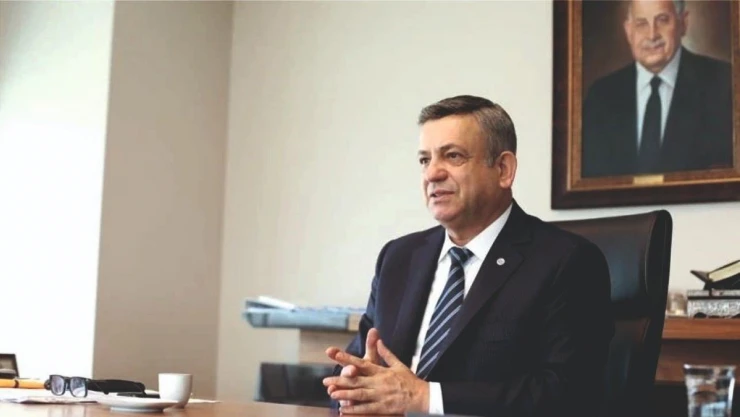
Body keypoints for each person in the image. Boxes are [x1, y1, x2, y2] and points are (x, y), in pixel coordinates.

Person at [322, 95, 614, 417]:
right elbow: (357, 365)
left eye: (453, 156)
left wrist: (426, 398)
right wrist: (353, 389)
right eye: (424, 160)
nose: (432, 174)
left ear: (503, 169)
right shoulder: (398, 258)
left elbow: (568, 392)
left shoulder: (567, 261)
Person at [581, 0, 733, 178]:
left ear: (683, 23)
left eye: (662, 20)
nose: (652, 35)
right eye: (641, 24)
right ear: (628, 31)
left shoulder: (724, 83)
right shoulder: (600, 96)